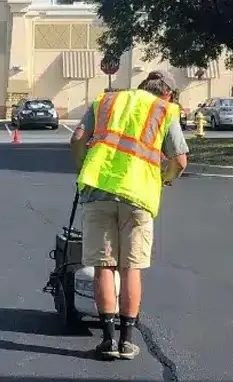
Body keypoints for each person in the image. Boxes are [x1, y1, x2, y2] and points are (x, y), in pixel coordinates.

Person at [68, 70, 189, 360]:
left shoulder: (106, 102)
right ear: (168, 94)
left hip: (98, 192)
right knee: (130, 268)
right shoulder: (164, 110)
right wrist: (165, 178)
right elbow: (180, 160)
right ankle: (127, 341)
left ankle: (107, 341)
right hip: (138, 197)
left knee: (103, 267)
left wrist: (84, 168)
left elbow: (77, 139)